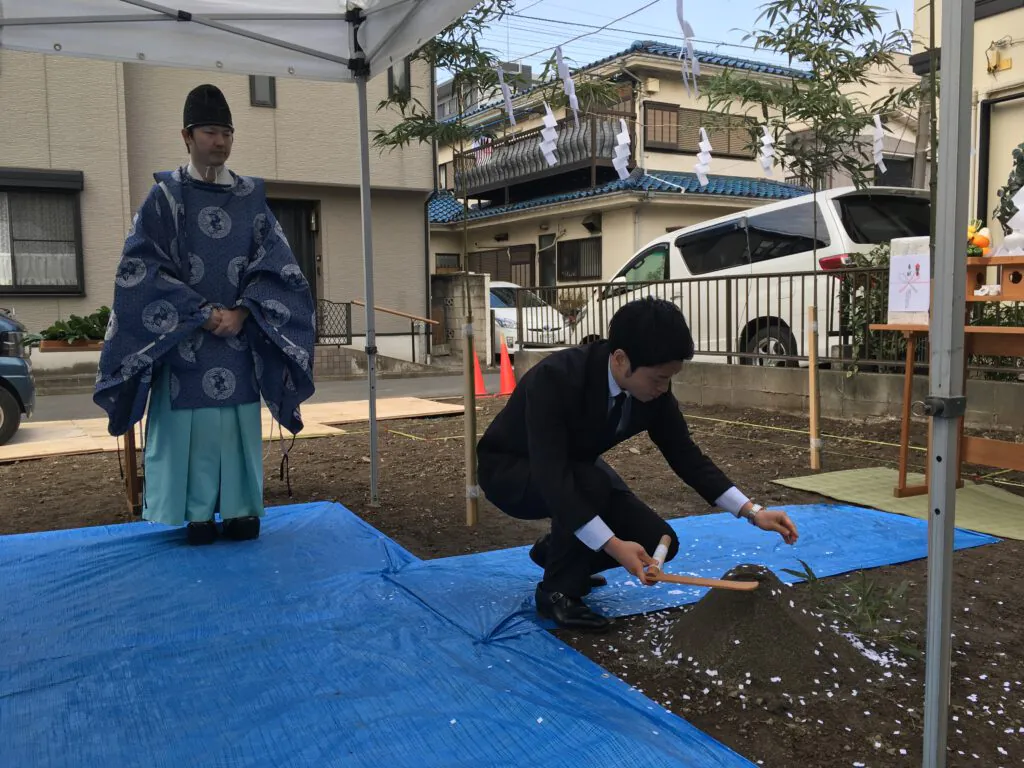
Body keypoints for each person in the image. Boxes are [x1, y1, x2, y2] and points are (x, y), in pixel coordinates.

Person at [477, 297, 799, 631]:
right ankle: (557, 593)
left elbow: (686, 455)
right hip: (513, 471)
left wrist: (752, 511)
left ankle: (557, 552)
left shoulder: (653, 394)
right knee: (591, 484)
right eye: (659, 378)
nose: (664, 389)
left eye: (670, 378)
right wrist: (614, 546)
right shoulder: (557, 379)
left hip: (578, 469)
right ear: (620, 360)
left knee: (659, 541)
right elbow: (552, 476)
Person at [94, 84, 315, 545]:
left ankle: (240, 511)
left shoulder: (251, 198)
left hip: (238, 339)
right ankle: (193, 514)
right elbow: (139, 269)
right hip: (183, 341)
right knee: (188, 432)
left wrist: (242, 311)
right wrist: (200, 313)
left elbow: (278, 264)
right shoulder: (164, 199)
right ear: (186, 136)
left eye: (226, 133)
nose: (219, 141)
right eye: (210, 132)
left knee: (236, 428)